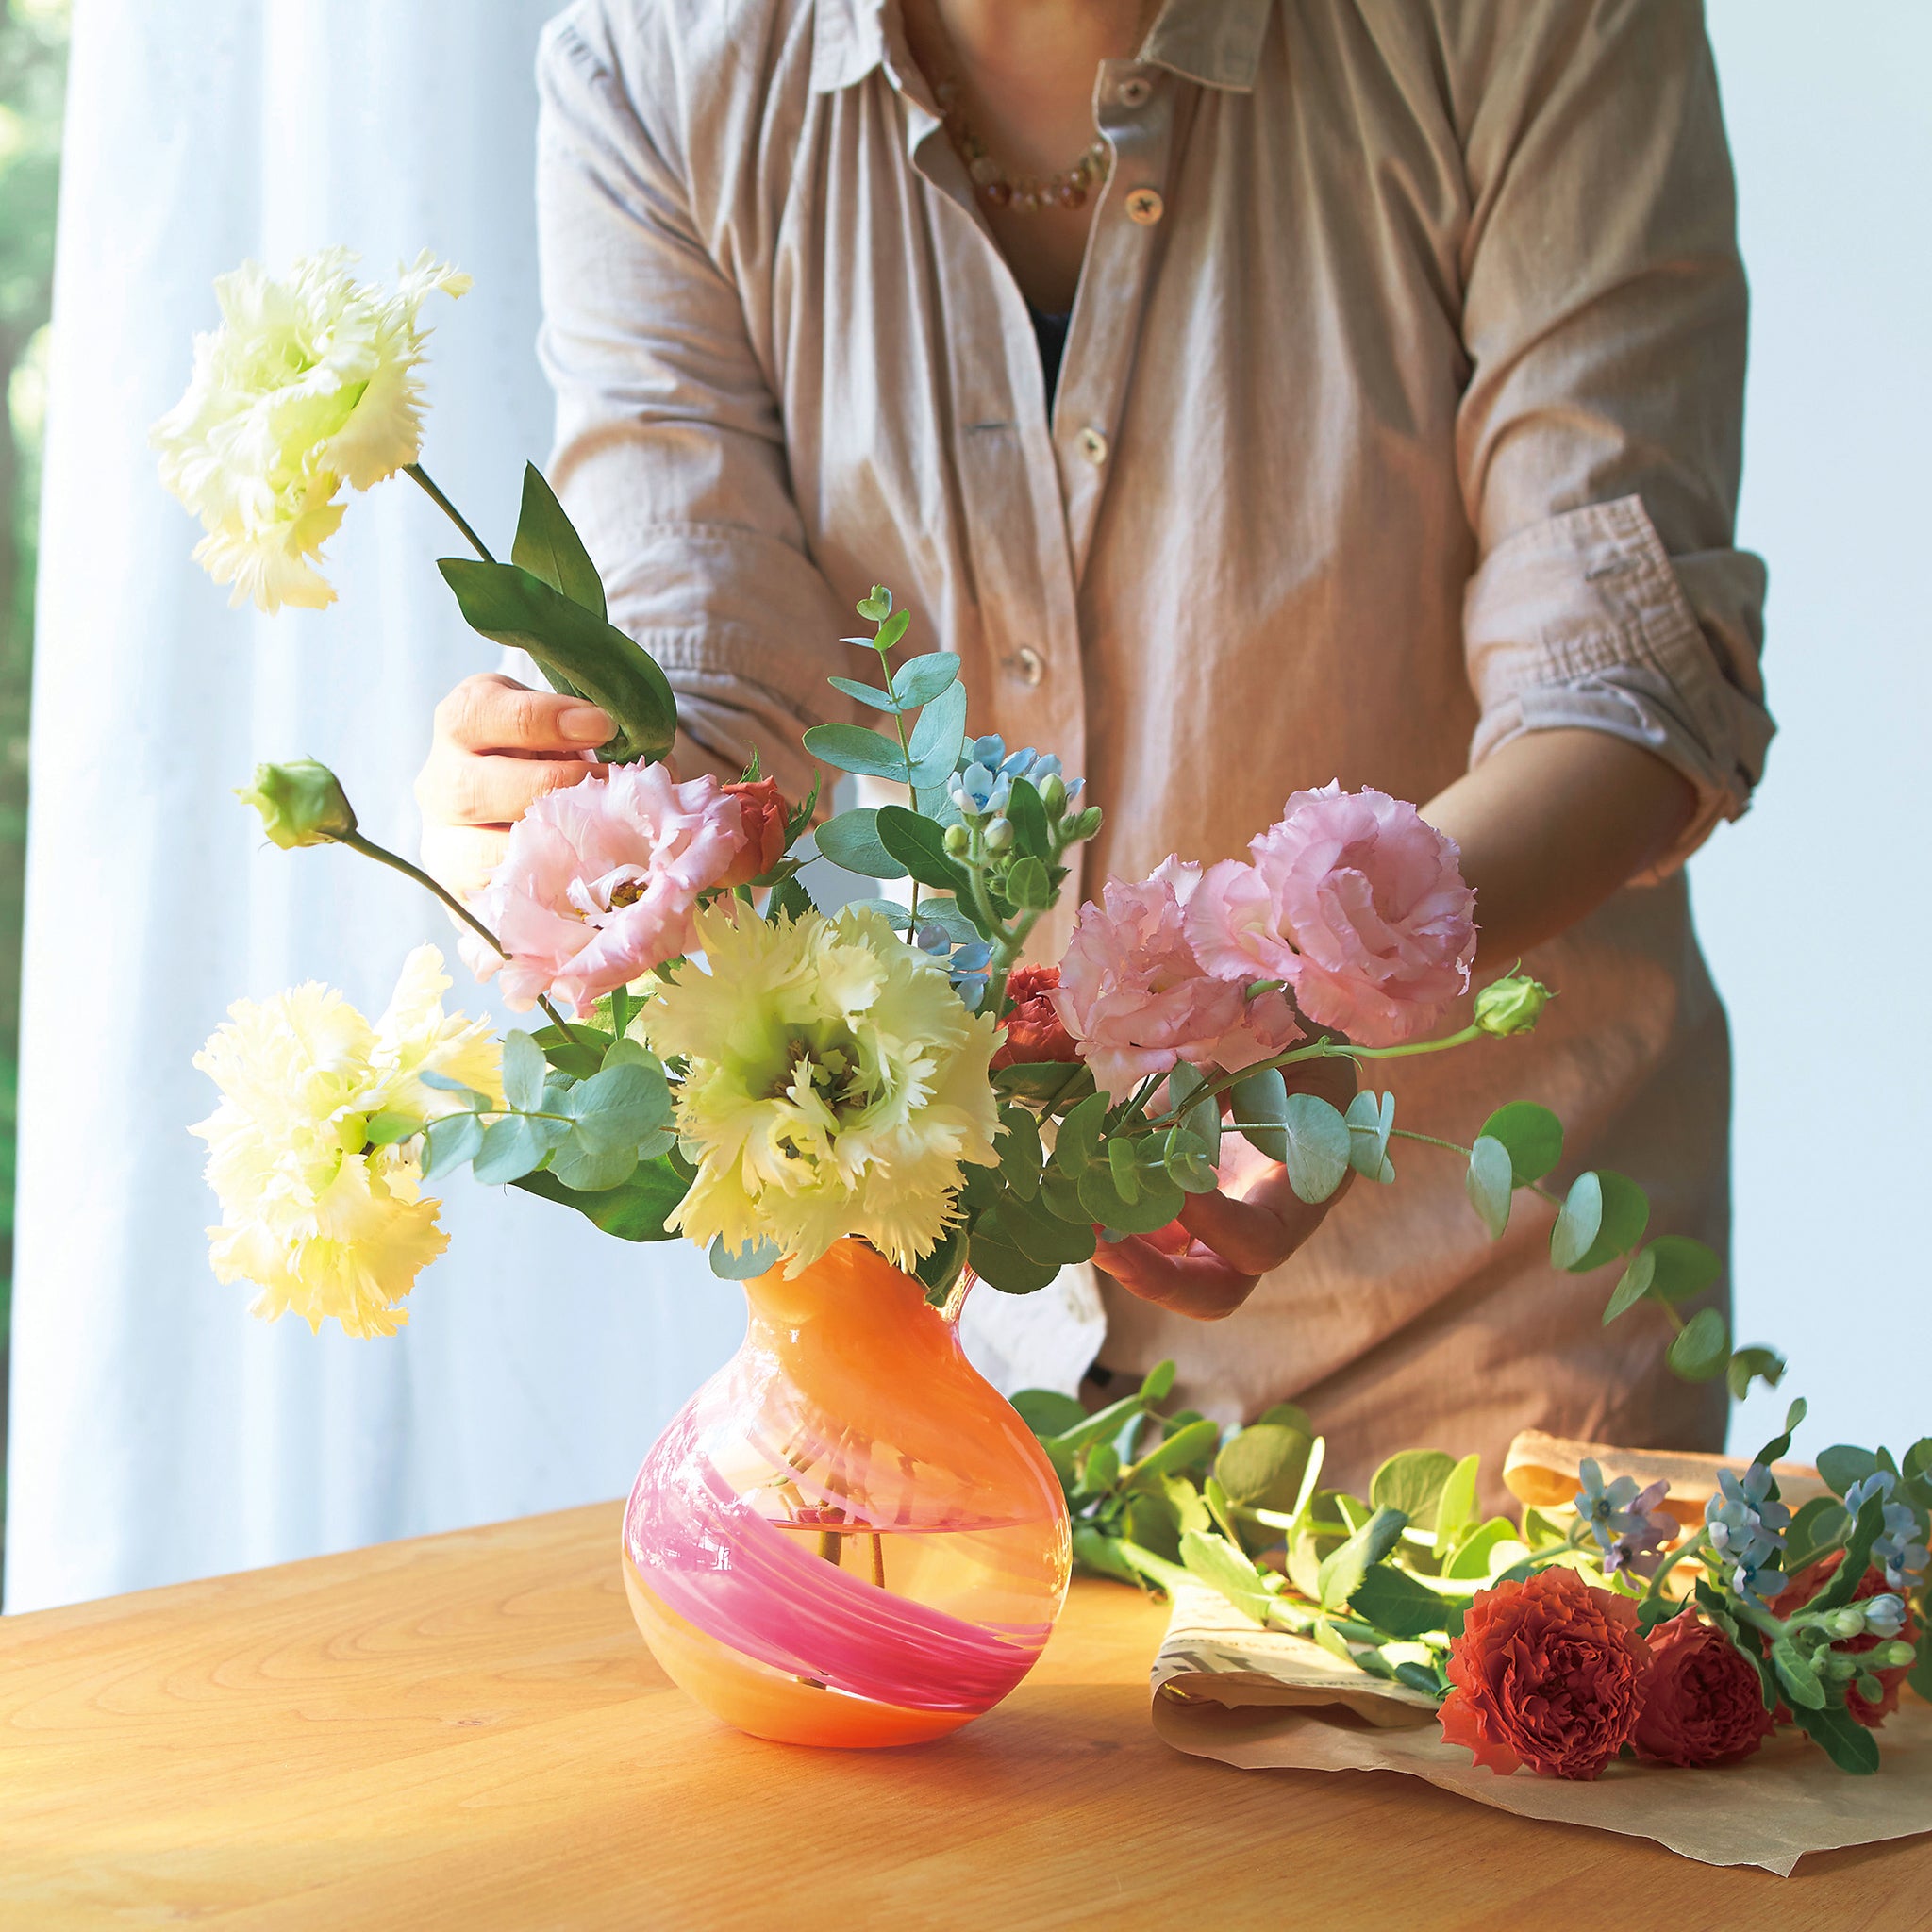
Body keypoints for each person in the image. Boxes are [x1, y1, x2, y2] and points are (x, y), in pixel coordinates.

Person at [415, 0, 1771, 1495]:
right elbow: (708, 643)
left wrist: (1306, 1000)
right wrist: (587, 806)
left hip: (1483, 1351)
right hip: (982, 1377)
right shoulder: (655, 65)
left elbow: (1623, 684)